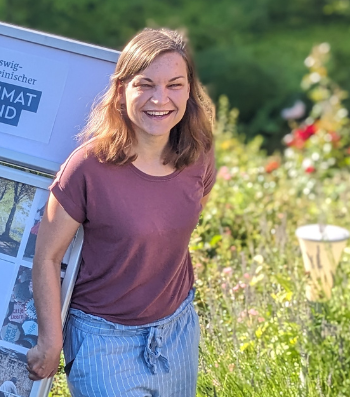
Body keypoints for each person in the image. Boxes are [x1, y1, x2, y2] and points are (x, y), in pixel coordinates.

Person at [26, 28, 216, 396]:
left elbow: (174, 229)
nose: (160, 99)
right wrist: (50, 341)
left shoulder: (199, 152)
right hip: (103, 341)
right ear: (122, 90)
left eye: (174, 85)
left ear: (190, 90)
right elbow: (47, 257)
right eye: (145, 84)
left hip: (176, 331)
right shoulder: (87, 167)